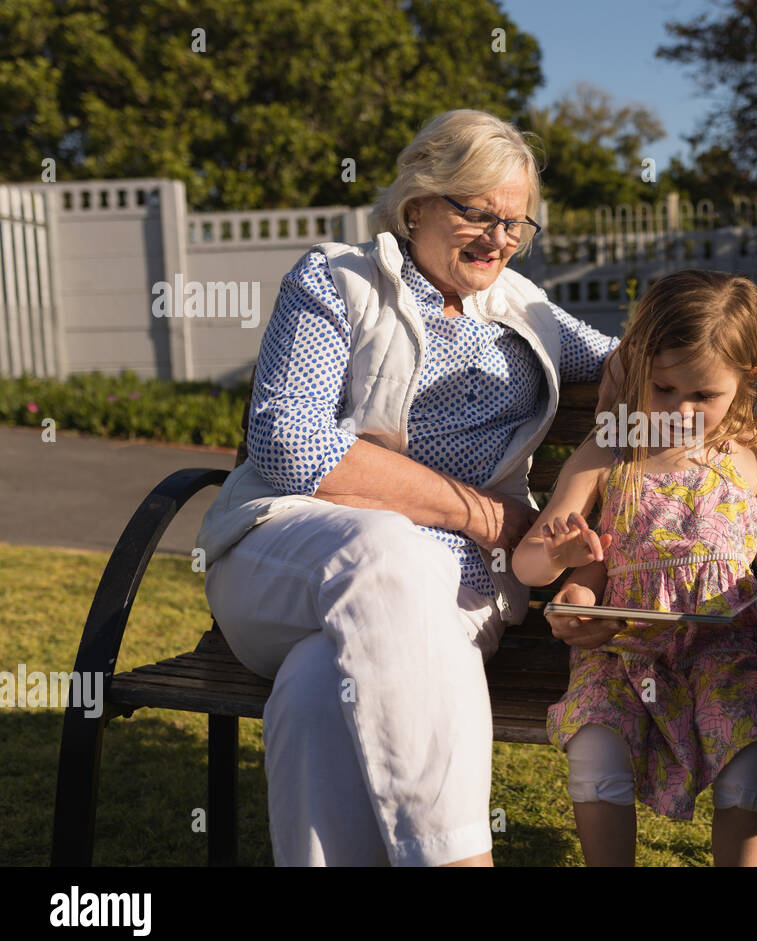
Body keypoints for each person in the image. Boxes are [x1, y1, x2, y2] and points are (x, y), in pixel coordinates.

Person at [194, 109, 619, 866]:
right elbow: (289, 439)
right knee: (384, 546)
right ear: (418, 201)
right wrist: (485, 515)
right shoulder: (339, 280)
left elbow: (646, 362)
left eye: (516, 224)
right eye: (477, 212)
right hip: (288, 555)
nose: (498, 238)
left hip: (455, 597)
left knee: (321, 682)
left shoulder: (529, 311)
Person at [514, 270, 757, 866]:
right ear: (636, 372)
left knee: (753, 753)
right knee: (596, 746)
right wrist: (562, 559)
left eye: (703, 396)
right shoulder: (610, 450)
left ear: (745, 380)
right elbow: (528, 560)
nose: (680, 410)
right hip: (620, 650)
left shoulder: (753, 450)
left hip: (723, 648)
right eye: (664, 388)